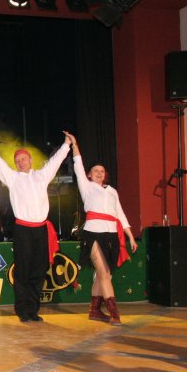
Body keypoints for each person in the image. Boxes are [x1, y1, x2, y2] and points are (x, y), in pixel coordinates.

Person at [0, 127, 72, 322]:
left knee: (39, 271)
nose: (20, 162)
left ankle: (33, 310)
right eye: (17, 160)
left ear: (30, 160)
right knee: (22, 270)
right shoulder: (12, 178)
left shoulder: (42, 176)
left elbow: (55, 162)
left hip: (41, 230)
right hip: (22, 229)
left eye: (23, 159)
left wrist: (66, 145)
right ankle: (22, 310)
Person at [68, 132, 137, 325]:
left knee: (102, 273)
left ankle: (95, 310)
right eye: (95, 170)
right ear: (89, 174)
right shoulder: (87, 187)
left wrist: (130, 236)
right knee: (105, 273)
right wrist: (74, 145)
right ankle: (114, 312)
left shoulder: (112, 191)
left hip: (112, 235)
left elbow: (120, 213)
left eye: (102, 171)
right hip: (93, 234)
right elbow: (78, 164)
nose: (99, 173)